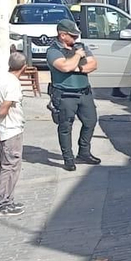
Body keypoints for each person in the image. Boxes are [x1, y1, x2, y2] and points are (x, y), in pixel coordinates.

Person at [47, 18, 101, 171]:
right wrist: (77, 57)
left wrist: (77, 68)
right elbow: (64, 67)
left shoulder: (80, 47)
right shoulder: (53, 51)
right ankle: (68, 159)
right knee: (65, 127)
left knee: (90, 121)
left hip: (84, 92)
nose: (76, 38)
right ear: (62, 35)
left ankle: (84, 152)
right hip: (64, 95)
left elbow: (93, 64)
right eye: (73, 36)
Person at [0, 51, 28, 215]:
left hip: (3, 129)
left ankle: (7, 201)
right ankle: (3, 203)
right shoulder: (13, 84)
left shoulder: (0, 79)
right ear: (24, 68)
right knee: (10, 167)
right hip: (11, 130)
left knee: (7, 165)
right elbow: (4, 108)